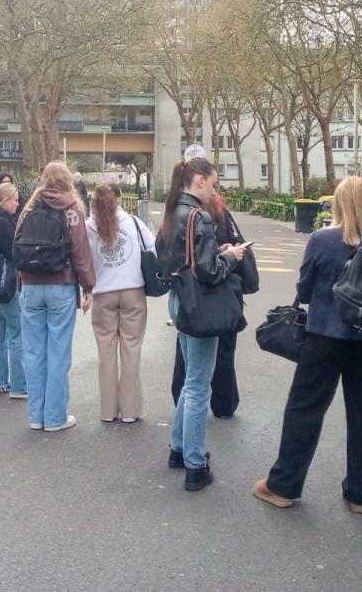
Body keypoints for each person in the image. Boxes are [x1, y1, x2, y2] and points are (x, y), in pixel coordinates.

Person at [253, 176, 362, 513]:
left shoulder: (322, 240)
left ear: (338, 203)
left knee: (304, 410)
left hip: (323, 335)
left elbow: (305, 290)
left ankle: (283, 485)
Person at [158, 158, 247, 491]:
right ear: (198, 180)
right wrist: (231, 255)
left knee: (190, 381)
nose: (214, 189)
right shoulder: (200, 216)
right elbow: (210, 271)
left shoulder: (171, 212)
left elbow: (163, 258)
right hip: (201, 303)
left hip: (180, 299)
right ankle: (195, 463)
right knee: (198, 384)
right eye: (213, 182)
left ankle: (179, 448)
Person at [16, 161, 96, 432]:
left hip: (30, 286)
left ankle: (35, 415)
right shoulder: (72, 209)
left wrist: (21, 280)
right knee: (58, 352)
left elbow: (17, 245)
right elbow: (80, 251)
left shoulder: (28, 208)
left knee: (34, 351)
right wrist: (88, 286)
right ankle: (55, 416)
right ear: (67, 181)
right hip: (60, 284)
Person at [170, 192, 249, 418]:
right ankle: (224, 403)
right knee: (224, 353)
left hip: (193, 297)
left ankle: (182, 400)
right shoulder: (219, 218)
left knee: (188, 355)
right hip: (225, 296)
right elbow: (212, 266)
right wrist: (229, 255)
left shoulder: (185, 218)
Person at [86, 181, 154, 423]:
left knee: (105, 354)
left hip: (102, 293)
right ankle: (130, 411)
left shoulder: (88, 226)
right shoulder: (134, 223)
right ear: (118, 200)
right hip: (133, 291)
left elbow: (82, 259)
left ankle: (107, 411)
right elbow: (153, 249)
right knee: (131, 351)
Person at [0, 183, 25, 399]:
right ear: (4, 201)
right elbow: (14, 254)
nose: (18, 204)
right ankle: (19, 385)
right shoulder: (5, 224)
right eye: (15, 199)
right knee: (17, 333)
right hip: (8, 283)